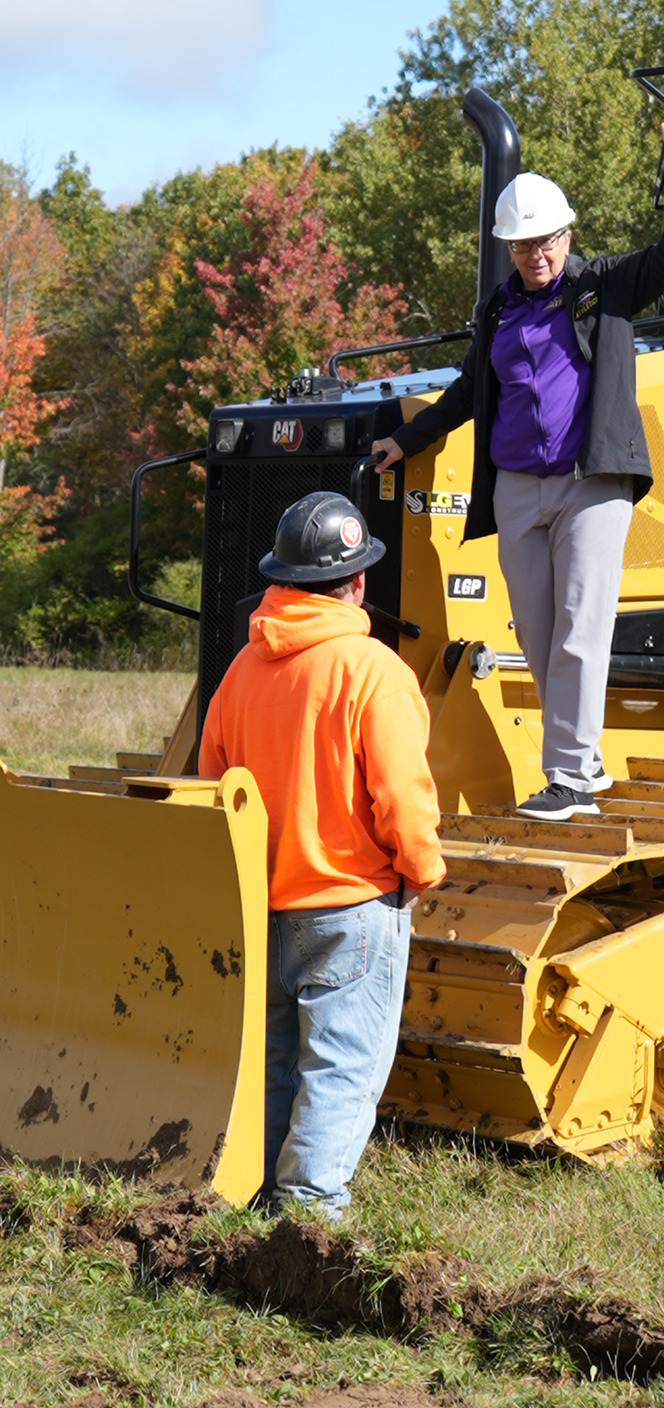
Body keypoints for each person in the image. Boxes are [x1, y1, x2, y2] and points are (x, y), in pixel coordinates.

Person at [372, 122, 664, 821]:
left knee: (581, 627)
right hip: (518, 489)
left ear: (567, 236)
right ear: (508, 249)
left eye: (545, 240)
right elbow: (470, 391)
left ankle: (572, 777)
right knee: (536, 636)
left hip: (590, 485)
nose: (535, 253)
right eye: (521, 244)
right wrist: (409, 438)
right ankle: (582, 766)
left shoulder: (604, 285)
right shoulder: (497, 307)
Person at [198, 490, 446, 1217]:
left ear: (281, 581)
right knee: (341, 1068)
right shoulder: (373, 672)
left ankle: (256, 1200)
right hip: (353, 907)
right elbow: (401, 793)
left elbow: (215, 784)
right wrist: (422, 869)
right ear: (358, 581)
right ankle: (308, 1218)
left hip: (262, 907)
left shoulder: (241, 673)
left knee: (276, 1064)